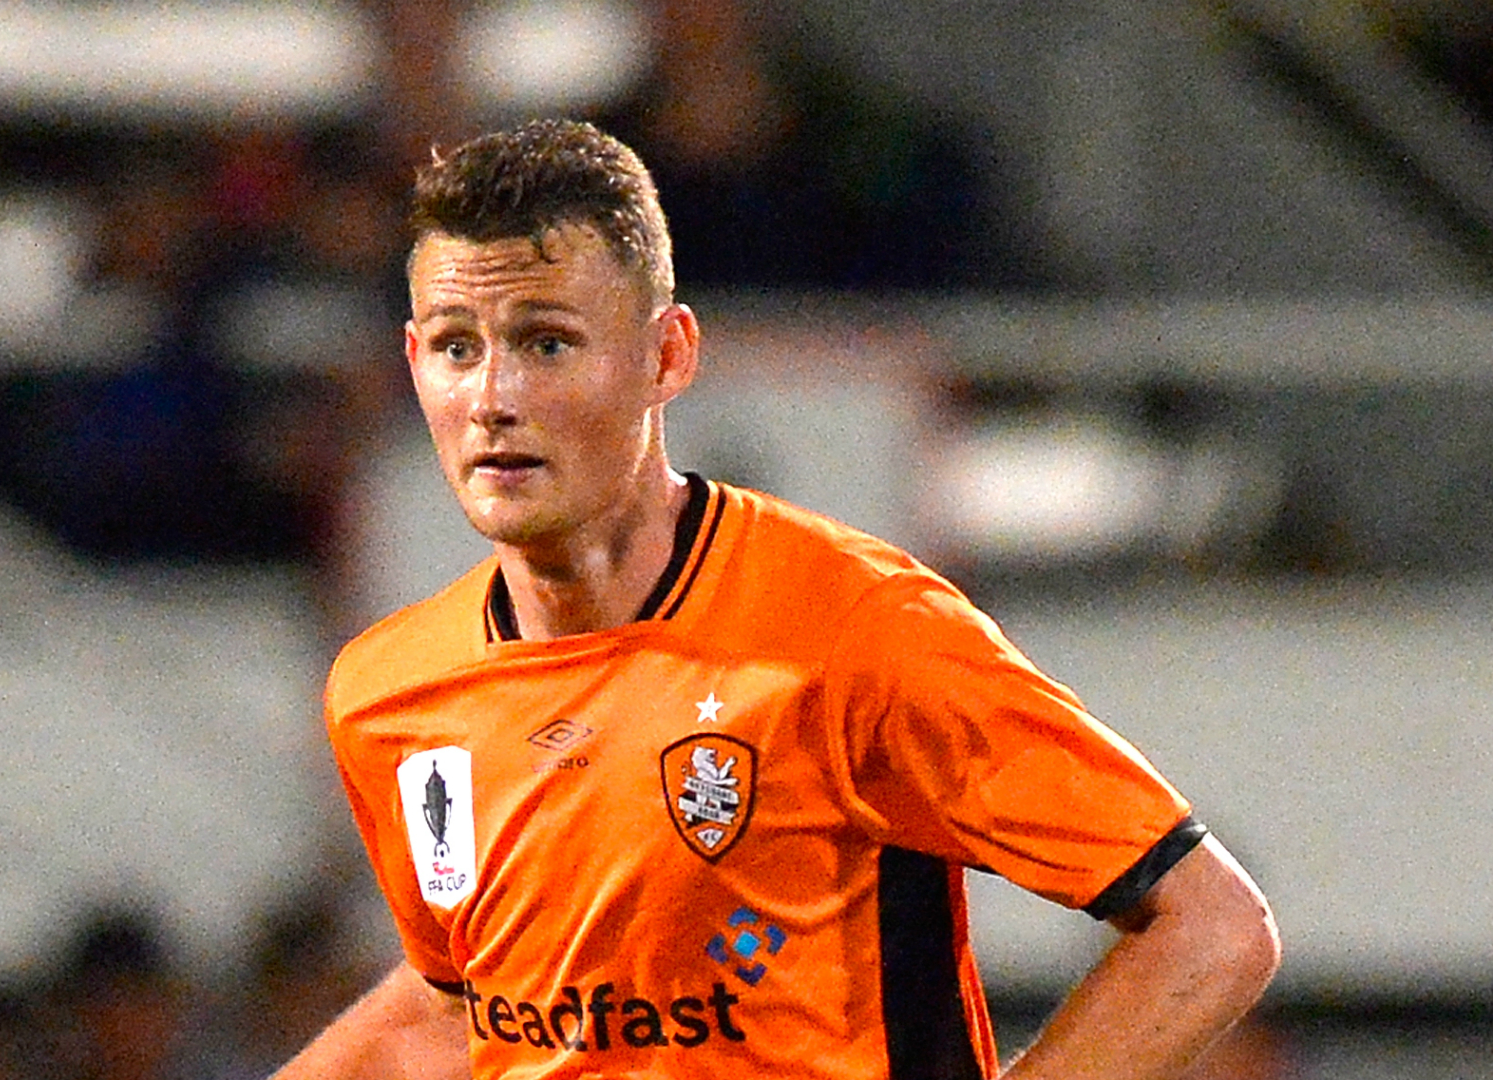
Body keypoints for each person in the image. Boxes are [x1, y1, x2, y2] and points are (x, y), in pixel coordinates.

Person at [274, 119, 1280, 1080]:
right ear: (413, 365)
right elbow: (465, 1006)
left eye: (546, 344)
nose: (494, 397)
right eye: (458, 347)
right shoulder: (388, 694)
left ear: (667, 356)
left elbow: (1211, 929)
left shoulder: (857, 630)